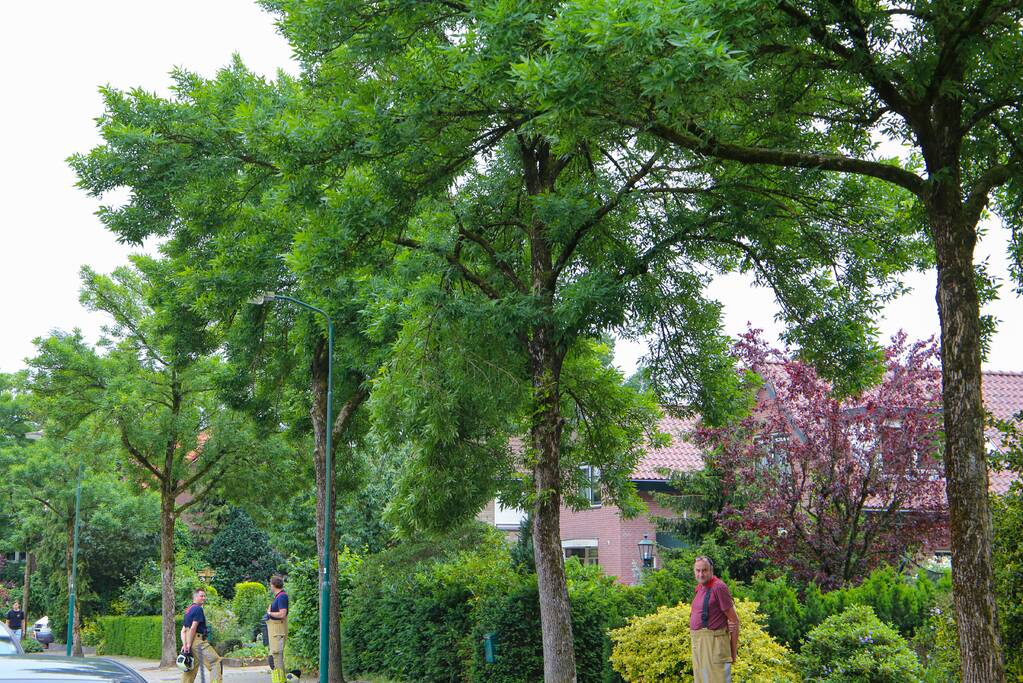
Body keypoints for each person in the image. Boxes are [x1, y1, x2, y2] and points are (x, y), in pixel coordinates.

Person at [690, 556, 740, 683]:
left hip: (713, 645)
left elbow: (734, 621)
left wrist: (733, 653)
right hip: (699, 643)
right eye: (698, 570)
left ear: (711, 570)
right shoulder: (700, 587)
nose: (701, 574)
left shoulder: (719, 587)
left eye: (704, 570)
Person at [180, 589, 222, 683]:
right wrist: (189, 644)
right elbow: (193, 628)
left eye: (204, 596)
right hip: (198, 642)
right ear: (195, 597)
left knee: (190, 668)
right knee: (215, 663)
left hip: (190, 642)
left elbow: (183, 631)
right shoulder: (198, 609)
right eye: (201, 596)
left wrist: (185, 645)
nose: (204, 598)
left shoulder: (188, 610)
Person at [266, 575, 289, 683]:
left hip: (278, 632)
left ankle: (280, 680)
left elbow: (282, 614)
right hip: (275, 632)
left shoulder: (282, 596)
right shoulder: (279, 596)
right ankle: (279, 680)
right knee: (274, 658)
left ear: (273, 585)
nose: (270, 586)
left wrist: (270, 613)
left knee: (276, 657)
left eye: (270, 584)